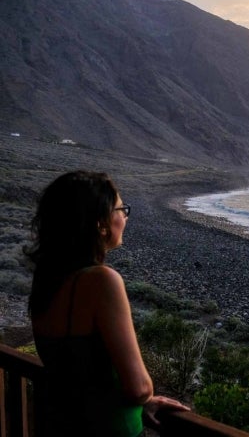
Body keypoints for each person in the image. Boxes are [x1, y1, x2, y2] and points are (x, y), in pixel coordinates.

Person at [27, 170, 189, 436]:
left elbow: (76, 369)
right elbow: (138, 387)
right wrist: (146, 395)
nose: (125, 216)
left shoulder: (48, 280)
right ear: (100, 224)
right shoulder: (102, 281)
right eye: (120, 209)